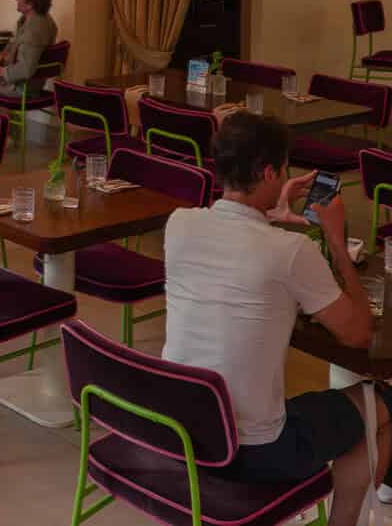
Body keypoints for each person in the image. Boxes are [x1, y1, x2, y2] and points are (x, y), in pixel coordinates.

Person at [164, 112, 391, 526]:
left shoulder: (179, 224)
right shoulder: (290, 252)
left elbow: (237, 243)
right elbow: (358, 334)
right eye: (283, 169)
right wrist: (337, 244)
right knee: (383, 406)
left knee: (325, 409)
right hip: (255, 451)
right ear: (269, 172)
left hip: (183, 431)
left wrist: (270, 213)